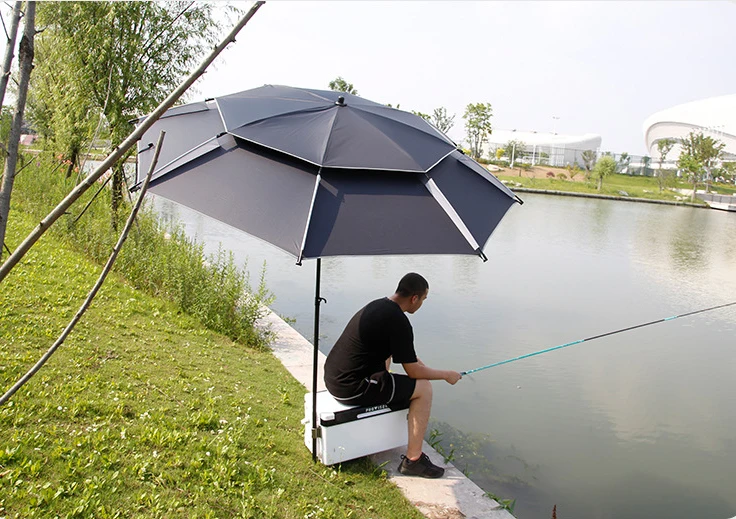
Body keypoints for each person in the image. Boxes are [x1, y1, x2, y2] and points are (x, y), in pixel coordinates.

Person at [324, 272, 462, 478]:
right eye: (423, 299)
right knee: (424, 389)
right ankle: (413, 461)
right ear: (414, 298)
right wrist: (446, 375)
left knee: (410, 380)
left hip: (334, 379)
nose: (422, 304)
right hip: (351, 389)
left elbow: (408, 357)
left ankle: (388, 402)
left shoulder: (380, 306)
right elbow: (414, 371)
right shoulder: (399, 321)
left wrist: (418, 372)